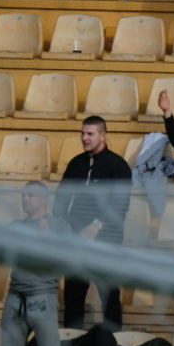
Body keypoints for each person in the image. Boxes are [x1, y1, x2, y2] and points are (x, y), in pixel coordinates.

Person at [54, 116, 131, 330]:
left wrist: (97, 225)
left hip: (106, 245)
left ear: (103, 136)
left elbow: (121, 205)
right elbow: (61, 199)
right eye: (82, 133)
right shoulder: (76, 163)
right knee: (73, 298)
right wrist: (63, 224)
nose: (85, 138)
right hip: (76, 243)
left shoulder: (118, 166)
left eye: (90, 134)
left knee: (109, 297)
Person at [1, 182, 69, 346]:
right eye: (23, 195)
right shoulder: (15, 226)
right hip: (15, 298)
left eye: (30, 196)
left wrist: (48, 236)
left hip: (43, 299)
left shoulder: (60, 226)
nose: (25, 199)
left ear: (43, 200)